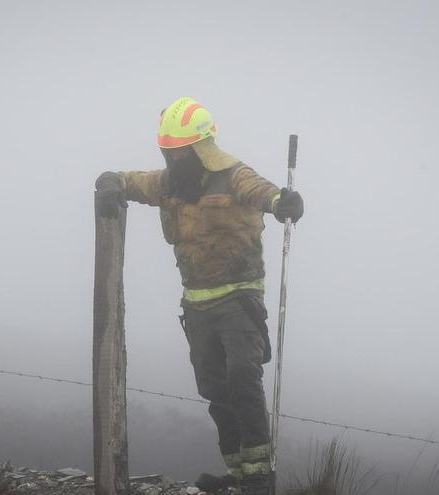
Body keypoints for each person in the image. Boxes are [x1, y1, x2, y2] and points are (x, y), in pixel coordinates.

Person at [94, 97, 304, 495]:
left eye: (179, 153)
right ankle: (239, 473)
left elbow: (264, 192)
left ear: (200, 148)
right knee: (214, 390)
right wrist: (108, 185)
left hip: (239, 301)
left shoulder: (234, 176)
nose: (173, 161)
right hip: (197, 306)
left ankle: (259, 478)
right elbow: (121, 177)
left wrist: (282, 202)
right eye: (168, 153)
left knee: (243, 376)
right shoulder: (168, 183)